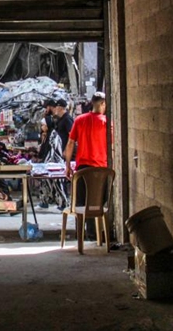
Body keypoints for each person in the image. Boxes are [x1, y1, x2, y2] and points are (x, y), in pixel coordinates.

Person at [64, 92, 108, 240]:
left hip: (82, 169)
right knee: (97, 202)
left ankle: (80, 233)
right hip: (100, 170)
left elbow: (70, 143)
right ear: (102, 104)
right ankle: (94, 233)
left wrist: (67, 166)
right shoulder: (106, 122)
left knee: (80, 202)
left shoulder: (80, 120)